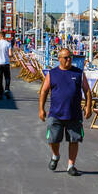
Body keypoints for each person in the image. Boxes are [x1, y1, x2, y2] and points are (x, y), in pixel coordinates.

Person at [38, 48, 92, 176]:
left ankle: (71, 165)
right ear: (60, 59)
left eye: (70, 57)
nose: (69, 60)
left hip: (74, 113)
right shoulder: (52, 73)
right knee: (53, 139)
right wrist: (41, 109)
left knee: (74, 140)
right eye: (66, 57)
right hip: (55, 113)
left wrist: (88, 106)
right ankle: (56, 155)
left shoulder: (78, 73)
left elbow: (87, 91)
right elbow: (44, 91)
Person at [0, 29, 13, 100]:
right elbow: (10, 54)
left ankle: (1, 94)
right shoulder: (8, 43)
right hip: (6, 63)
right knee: (7, 77)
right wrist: (7, 55)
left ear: (0, 36)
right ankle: (7, 89)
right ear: (4, 36)